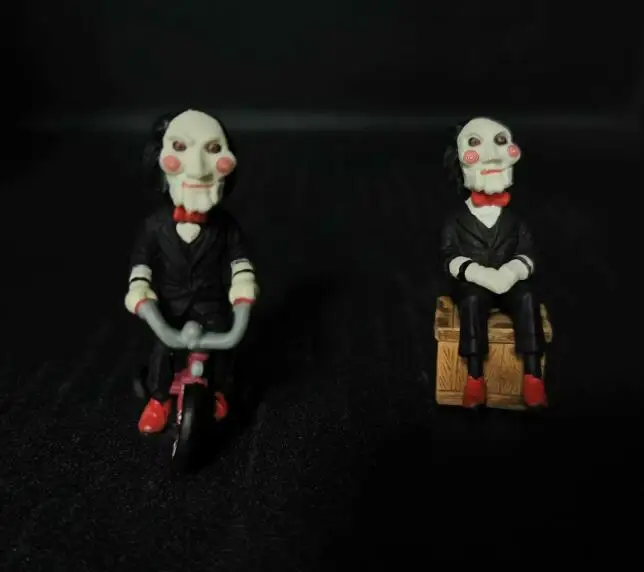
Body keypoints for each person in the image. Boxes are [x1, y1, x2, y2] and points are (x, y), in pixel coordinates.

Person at [124, 109, 258, 433]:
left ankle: (220, 390)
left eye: (212, 149)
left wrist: (243, 285)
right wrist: (140, 289)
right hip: (170, 305)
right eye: (181, 148)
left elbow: (239, 259)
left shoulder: (226, 226)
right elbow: (141, 262)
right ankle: (158, 399)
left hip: (211, 304)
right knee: (162, 350)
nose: (198, 169)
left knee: (224, 349)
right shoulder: (154, 226)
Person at [440, 116, 547, 409]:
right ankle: (475, 378)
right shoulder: (455, 221)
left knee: (528, 296)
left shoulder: (515, 220)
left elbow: (528, 253)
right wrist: (477, 273)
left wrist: (512, 271)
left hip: (510, 284)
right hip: (473, 285)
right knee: (472, 301)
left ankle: (533, 376)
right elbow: (448, 257)